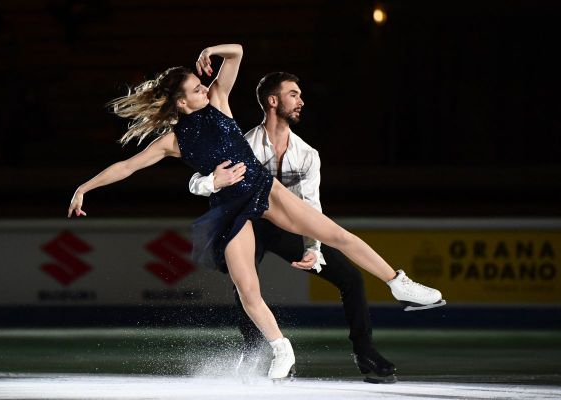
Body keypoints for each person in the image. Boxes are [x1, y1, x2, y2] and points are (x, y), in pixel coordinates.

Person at [67, 43, 446, 381]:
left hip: (265, 190)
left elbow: (237, 52)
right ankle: (281, 348)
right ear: (182, 103)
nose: (205, 87)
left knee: (337, 235)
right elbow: (127, 166)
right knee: (248, 290)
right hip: (230, 211)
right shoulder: (172, 141)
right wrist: (84, 187)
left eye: (203, 85)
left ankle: (400, 284)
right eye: (196, 89)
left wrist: (210, 50)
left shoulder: (218, 102)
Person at [189, 72, 400, 383]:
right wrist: (210, 182)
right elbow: (198, 179)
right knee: (244, 285)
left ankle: (365, 351)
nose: (301, 101)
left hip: (287, 226)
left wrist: (313, 248)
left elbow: (312, 207)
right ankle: (254, 348)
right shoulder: (242, 144)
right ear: (273, 101)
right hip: (248, 223)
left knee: (351, 277)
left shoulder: (307, 154)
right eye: (293, 94)